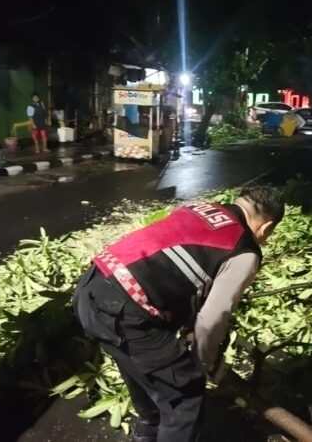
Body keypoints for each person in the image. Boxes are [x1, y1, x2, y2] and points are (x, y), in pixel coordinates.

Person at [73, 186, 284, 442]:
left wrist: (186, 326)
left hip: (91, 288)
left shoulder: (200, 207)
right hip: (124, 314)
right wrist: (203, 362)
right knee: (186, 394)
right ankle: (155, 429)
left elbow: (174, 267)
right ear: (267, 227)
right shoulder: (245, 250)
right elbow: (212, 317)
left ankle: (148, 429)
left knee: (141, 367)